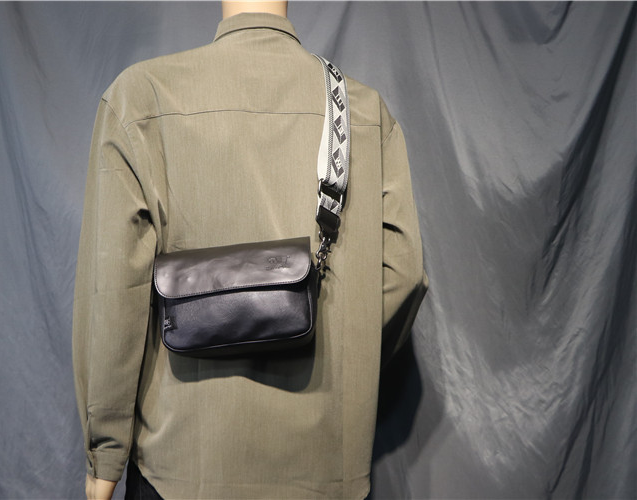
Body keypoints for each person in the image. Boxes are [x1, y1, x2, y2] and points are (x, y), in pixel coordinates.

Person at [72, 1, 429, 499]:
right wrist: (331, 351)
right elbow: (404, 273)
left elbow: (113, 293)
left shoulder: (140, 98)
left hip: (179, 468)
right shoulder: (363, 111)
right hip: (324, 469)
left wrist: (105, 459)